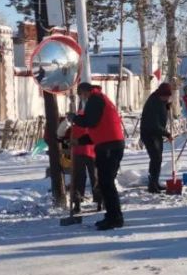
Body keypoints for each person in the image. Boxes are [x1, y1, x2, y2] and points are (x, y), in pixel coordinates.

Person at [69, 82, 127, 230]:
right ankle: (111, 215)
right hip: (109, 144)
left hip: (109, 146)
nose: (81, 98)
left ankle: (115, 218)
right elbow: (97, 128)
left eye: (81, 95)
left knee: (106, 183)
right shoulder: (99, 99)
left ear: (84, 92)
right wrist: (79, 141)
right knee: (104, 183)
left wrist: (74, 118)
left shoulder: (95, 99)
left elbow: (90, 122)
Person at [140, 83, 174, 193]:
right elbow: (154, 124)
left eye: (169, 96)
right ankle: (152, 185)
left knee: (157, 159)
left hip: (156, 133)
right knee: (156, 158)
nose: (167, 98)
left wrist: (166, 106)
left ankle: (155, 183)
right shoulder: (153, 103)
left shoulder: (160, 100)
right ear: (161, 94)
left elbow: (161, 110)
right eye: (166, 96)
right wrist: (167, 134)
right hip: (149, 133)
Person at [68, 107, 100, 214]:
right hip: (91, 152)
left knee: (79, 178)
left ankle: (77, 202)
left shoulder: (75, 121)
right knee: (94, 177)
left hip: (78, 152)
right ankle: (99, 200)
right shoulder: (90, 120)